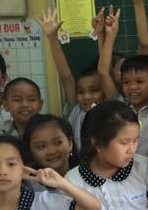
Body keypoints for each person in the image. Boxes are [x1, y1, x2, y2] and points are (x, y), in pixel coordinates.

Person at [98, 9, 148, 159]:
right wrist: (110, 35)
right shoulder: (120, 106)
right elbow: (103, 73)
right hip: (127, 170)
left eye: (139, 82)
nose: (132, 87)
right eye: (126, 82)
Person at [39, 8, 106, 143]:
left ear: (105, 91)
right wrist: (52, 38)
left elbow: (105, 70)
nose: (86, 96)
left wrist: (101, 35)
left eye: (94, 90)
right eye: (81, 92)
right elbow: (66, 76)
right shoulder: (75, 110)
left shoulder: (111, 111)